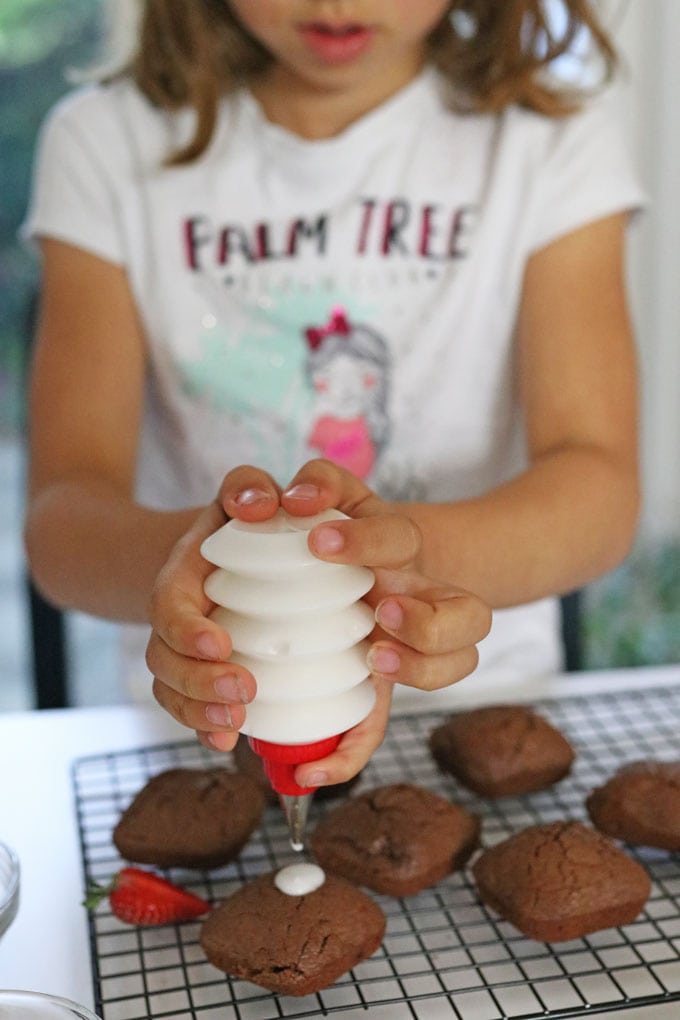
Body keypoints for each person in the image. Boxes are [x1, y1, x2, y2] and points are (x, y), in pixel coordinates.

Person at [22, 0, 642, 789]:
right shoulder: (103, 144)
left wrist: (372, 570)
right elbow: (64, 521)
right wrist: (220, 574)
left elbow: (597, 492)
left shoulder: (552, 142)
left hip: (474, 699)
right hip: (203, 720)